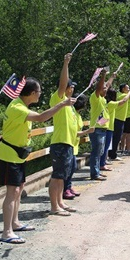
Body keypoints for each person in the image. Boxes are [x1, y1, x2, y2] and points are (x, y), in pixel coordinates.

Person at [0, 77, 75, 243]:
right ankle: (6, 232)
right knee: (12, 192)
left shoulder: (21, 106)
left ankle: (15, 223)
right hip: (9, 155)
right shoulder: (17, 107)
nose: (40, 95)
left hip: (17, 155)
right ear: (32, 93)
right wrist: (61, 104)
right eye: (39, 92)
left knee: (19, 189)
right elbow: (40, 117)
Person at [48, 53, 80, 216]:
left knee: (62, 176)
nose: (72, 89)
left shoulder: (69, 105)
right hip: (60, 143)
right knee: (57, 176)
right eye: (70, 86)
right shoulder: (58, 99)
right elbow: (62, 84)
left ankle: (60, 202)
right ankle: (54, 206)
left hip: (68, 144)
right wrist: (66, 63)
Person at [64, 95, 94, 198]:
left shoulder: (78, 115)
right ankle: (65, 189)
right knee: (69, 168)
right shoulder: (71, 114)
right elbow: (75, 133)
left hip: (74, 145)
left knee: (72, 168)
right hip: (70, 144)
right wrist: (87, 131)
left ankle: (68, 186)